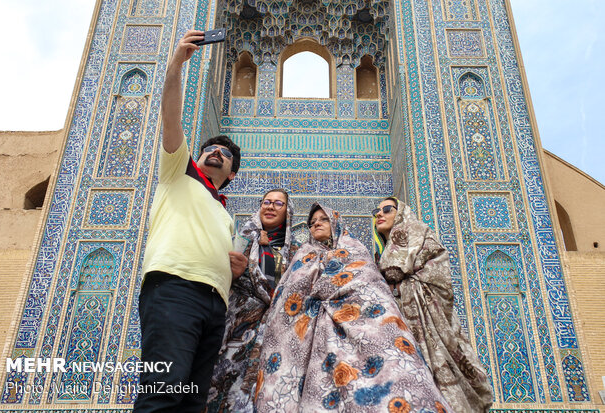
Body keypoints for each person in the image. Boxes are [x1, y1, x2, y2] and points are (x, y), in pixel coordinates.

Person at [133, 29, 248, 413]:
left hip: (214, 304)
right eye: (208, 149)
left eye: (224, 154)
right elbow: (171, 117)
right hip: (174, 288)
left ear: (232, 174)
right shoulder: (178, 173)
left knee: (192, 403)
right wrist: (174, 66)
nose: (214, 153)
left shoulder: (225, 215)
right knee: (163, 392)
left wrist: (237, 268)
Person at [254, 203, 453, 412]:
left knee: (395, 370)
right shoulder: (303, 254)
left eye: (323, 219)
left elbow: (367, 281)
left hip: (360, 324)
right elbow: (290, 292)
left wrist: (327, 286)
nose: (316, 225)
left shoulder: (354, 248)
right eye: (312, 223)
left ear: (335, 222)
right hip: (310, 335)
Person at [374, 196, 494, 412]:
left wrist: (400, 288)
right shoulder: (379, 254)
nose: (379, 214)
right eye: (377, 211)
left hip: (428, 323)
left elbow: (439, 280)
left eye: (387, 209)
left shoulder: (419, 234)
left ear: (400, 213)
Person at [206, 189, 300, 412]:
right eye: (266, 202)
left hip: (273, 331)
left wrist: (248, 268)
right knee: (217, 381)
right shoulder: (240, 241)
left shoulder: (296, 252)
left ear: (288, 212)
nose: (270, 207)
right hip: (232, 325)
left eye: (278, 204)